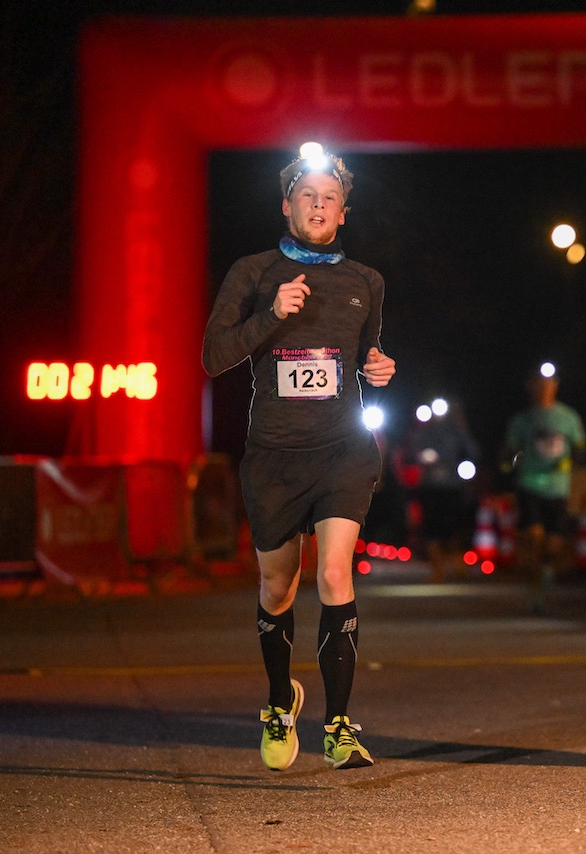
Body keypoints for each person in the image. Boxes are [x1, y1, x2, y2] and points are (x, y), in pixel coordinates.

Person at [202, 145, 396, 772]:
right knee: (277, 586)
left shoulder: (367, 282)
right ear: (286, 205)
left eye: (330, 197)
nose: (318, 205)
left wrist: (380, 368)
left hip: (342, 450)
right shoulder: (254, 272)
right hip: (275, 457)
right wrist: (270, 314)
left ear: (344, 210)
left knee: (335, 575)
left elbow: (364, 358)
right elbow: (213, 356)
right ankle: (280, 701)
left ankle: (339, 725)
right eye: (306, 196)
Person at [502, 363, 586, 612]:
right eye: (539, 385)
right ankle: (534, 588)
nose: (544, 389)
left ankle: (544, 583)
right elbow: (509, 450)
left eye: (549, 384)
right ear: (531, 388)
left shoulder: (568, 417)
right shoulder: (522, 420)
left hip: (558, 489)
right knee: (534, 537)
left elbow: (580, 446)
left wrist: (574, 460)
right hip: (530, 484)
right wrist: (508, 463)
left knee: (554, 545)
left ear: (555, 386)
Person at [397, 397, 481, 581]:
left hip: (452, 486)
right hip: (429, 487)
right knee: (431, 527)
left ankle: (457, 564)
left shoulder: (457, 432)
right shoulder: (422, 433)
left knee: (454, 525)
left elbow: (473, 451)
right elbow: (409, 453)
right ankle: (437, 570)